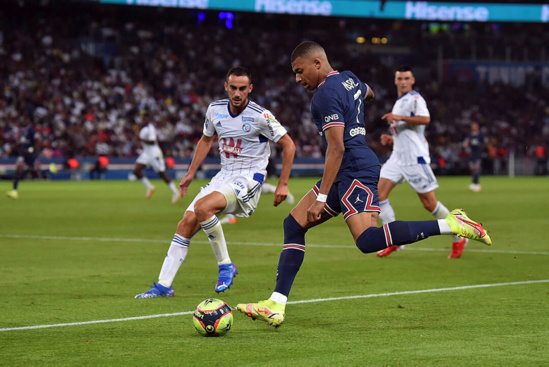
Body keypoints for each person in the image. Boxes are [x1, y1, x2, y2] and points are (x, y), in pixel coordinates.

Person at [236, 41, 491, 328]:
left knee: (367, 241)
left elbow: (336, 149)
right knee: (293, 225)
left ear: (317, 63)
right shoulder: (349, 78)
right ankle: (275, 304)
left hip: (353, 166)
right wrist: (356, 97)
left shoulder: (323, 96)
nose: (297, 78)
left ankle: (452, 224)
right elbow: (368, 93)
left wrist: (321, 197)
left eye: (299, 71)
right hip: (352, 165)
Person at [135, 67, 296, 298]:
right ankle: (163, 286)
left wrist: (283, 184)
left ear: (250, 89)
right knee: (186, 223)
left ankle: (225, 265)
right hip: (224, 175)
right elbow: (205, 139)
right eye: (233, 88)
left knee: (202, 208)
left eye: (242, 88)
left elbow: (289, 145)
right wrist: (191, 172)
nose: (237, 93)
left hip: (249, 177)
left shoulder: (261, 116)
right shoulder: (215, 109)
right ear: (226, 87)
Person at [375, 65, 468, 259]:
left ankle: (459, 234)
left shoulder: (415, 99)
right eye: (399, 78)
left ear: (412, 80)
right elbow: (409, 132)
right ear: (395, 81)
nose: (403, 82)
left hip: (414, 160)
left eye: (406, 78)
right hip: (397, 158)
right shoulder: (399, 102)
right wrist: (392, 140)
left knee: (429, 204)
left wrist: (398, 117)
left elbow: (425, 119)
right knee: (378, 195)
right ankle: (395, 240)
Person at [219, 154, 294, 225]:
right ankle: (229, 217)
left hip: (249, 176)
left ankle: (229, 218)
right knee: (236, 194)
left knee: (234, 194)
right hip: (251, 175)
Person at [133, 110, 180, 204]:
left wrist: (141, 139)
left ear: (148, 119)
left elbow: (153, 142)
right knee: (136, 170)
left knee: (162, 174)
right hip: (146, 153)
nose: (143, 119)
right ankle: (150, 187)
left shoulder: (150, 128)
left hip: (154, 153)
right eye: (142, 117)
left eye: (145, 118)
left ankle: (175, 192)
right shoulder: (143, 127)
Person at [6, 117, 41, 199]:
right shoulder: (21, 130)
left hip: (31, 155)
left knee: (34, 171)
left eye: (25, 120)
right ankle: (14, 191)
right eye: (23, 120)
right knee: (18, 169)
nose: (23, 121)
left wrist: (31, 149)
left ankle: (40, 175)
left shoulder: (31, 130)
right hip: (23, 155)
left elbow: (38, 141)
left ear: (28, 121)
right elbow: (21, 142)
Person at [464, 121, 488, 191]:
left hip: (478, 154)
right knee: (472, 168)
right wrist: (466, 146)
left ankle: (477, 184)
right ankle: (473, 183)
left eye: (474, 125)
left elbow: (485, 142)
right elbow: (466, 143)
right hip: (472, 154)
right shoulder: (469, 135)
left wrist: (484, 149)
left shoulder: (481, 135)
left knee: (476, 168)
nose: (473, 127)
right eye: (472, 125)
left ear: (477, 127)